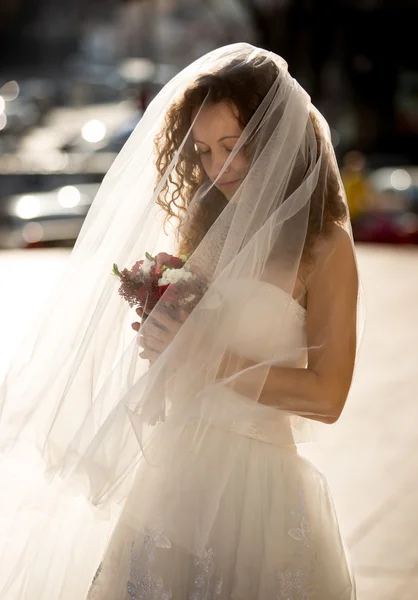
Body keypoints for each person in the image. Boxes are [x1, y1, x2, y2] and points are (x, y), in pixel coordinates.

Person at [0, 44, 359, 599]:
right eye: (205, 151)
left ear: (278, 141)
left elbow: (329, 397)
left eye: (234, 147)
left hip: (259, 489)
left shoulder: (325, 246)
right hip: (171, 484)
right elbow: (185, 354)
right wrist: (163, 342)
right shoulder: (203, 226)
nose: (218, 169)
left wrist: (208, 359)